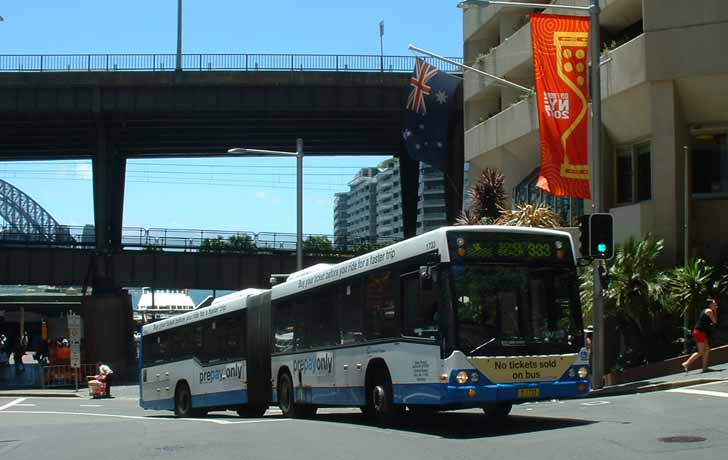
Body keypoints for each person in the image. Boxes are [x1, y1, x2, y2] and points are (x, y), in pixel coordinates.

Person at [682, 298, 719, 373]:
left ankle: (704, 368)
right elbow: (715, 321)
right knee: (701, 351)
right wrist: (715, 311)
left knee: (707, 350)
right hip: (699, 332)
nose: (716, 305)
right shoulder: (709, 311)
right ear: (710, 305)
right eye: (714, 304)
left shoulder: (706, 310)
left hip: (701, 332)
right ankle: (686, 363)